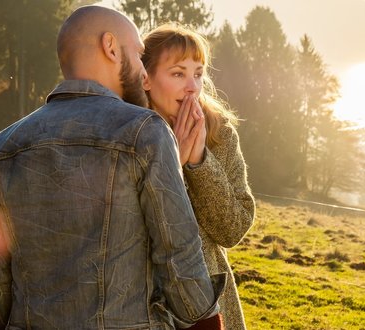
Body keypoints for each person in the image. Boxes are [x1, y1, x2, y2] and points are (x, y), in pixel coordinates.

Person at [0, 6, 226, 330]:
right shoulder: (144, 132)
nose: (144, 74)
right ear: (110, 47)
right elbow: (180, 258)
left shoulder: (2, 146)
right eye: (138, 55)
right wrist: (205, 322)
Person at [142, 24, 256, 330]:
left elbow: (232, 230)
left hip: (209, 300)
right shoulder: (126, 135)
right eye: (178, 73)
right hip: (141, 300)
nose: (192, 86)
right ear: (146, 78)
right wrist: (171, 166)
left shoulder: (221, 136)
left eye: (198, 73)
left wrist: (200, 163)